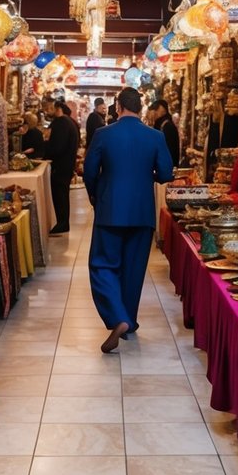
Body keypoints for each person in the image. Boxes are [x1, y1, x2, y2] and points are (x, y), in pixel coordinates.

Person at [83, 87, 175, 352]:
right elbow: (167, 172)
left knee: (102, 265)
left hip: (110, 208)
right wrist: (149, 174)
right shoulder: (155, 136)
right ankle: (129, 320)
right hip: (142, 211)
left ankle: (118, 317)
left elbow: (89, 171)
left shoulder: (103, 134)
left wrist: (94, 195)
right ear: (140, 107)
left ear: (118, 106)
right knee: (134, 269)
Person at [46, 100, 79, 234]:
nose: (48, 110)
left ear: (58, 108)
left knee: (60, 194)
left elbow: (58, 146)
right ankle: (63, 222)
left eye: (50, 107)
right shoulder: (70, 122)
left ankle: (62, 222)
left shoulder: (61, 123)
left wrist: (46, 149)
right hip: (66, 164)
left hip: (60, 166)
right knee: (62, 194)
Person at [147, 98, 180, 168]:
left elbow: (167, 150)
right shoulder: (163, 124)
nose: (153, 115)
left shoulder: (166, 126)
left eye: (155, 111)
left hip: (166, 168)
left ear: (161, 110)